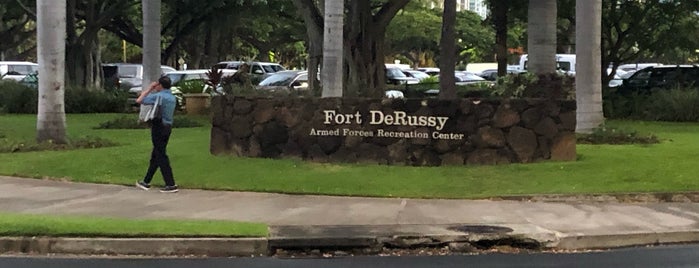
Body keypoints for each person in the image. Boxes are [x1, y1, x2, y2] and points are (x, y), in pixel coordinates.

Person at [135, 76, 179, 193]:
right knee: (156, 154)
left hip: (158, 126)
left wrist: (150, 88)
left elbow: (140, 100)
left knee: (161, 155)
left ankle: (170, 183)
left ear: (160, 85)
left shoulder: (158, 96)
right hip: (168, 127)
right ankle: (146, 181)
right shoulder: (172, 98)